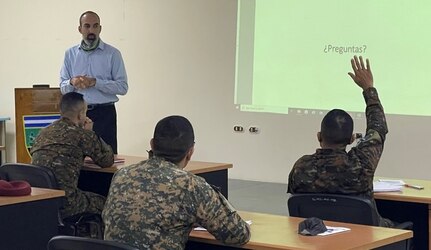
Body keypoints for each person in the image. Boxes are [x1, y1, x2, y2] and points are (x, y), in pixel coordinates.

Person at [102, 115, 251, 249]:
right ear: (190, 152)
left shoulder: (122, 174)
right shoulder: (191, 185)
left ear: (152, 145)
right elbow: (238, 235)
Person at [287, 56, 394, 227]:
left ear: (319, 136)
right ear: (352, 139)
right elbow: (378, 129)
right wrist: (369, 88)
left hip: (316, 239)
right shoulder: (361, 164)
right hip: (364, 240)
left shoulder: (301, 167)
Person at [31, 92, 114, 219]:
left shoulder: (42, 133)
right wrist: (92, 133)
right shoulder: (83, 135)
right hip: (68, 202)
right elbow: (107, 160)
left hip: (41, 200)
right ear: (81, 114)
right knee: (108, 203)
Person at [60, 10, 128, 154]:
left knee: (106, 157)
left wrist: (95, 82)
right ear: (80, 29)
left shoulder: (112, 54)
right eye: (87, 26)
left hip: (105, 114)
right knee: (79, 158)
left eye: (95, 26)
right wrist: (72, 82)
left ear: (100, 29)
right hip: (77, 115)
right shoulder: (70, 54)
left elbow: (122, 87)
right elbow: (63, 88)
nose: (91, 30)